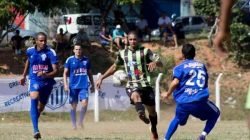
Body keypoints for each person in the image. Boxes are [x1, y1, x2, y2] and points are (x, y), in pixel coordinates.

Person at [96, 31, 162, 140]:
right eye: (130, 39)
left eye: (134, 39)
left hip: (146, 85)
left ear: (138, 40)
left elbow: (160, 62)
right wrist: (102, 77)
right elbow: (114, 67)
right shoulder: (122, 53)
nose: (132, 41)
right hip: (132, 84)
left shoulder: (145, 52)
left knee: (152, 112)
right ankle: (141, 113)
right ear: (127, 40)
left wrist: (154, 63)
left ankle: (154, 129)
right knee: (135, 95)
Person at [161, 43, 220, 140]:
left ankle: (166, 139)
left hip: (184, 101)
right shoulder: (201, 65)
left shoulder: (179, 67)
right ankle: (203, 135)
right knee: (215, 113)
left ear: (182, 55)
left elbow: (175, 82)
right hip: (199, 100)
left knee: (177, 119)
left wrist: (167, 94)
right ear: (194, 54)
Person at [19, 32, 58, 139]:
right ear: (36, 41)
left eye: (45, 40)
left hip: (47, 82)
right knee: (34, 97)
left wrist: (46, 74)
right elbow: (28, 61)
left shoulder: (51, 52)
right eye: (41, 40)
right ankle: (36, 130)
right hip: (34, 79)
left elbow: (56, 71)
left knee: (40, 108)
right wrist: (23, 75)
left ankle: (35, 118)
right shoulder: (30, 51)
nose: (43, 42)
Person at [63, 43, 95, 130]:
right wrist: (66, 84)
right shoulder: (69, 60)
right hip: (73, 87)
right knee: (73, 106)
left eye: (79, 49)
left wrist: (92, 84)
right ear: (73, 50)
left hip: (83, 86)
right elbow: (65, 73)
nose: (78, 51)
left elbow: (90, 73)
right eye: (76, 49)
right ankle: (74, 125)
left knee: (85, 104)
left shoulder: (86, 60)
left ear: (82, 50)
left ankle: (80, 121)